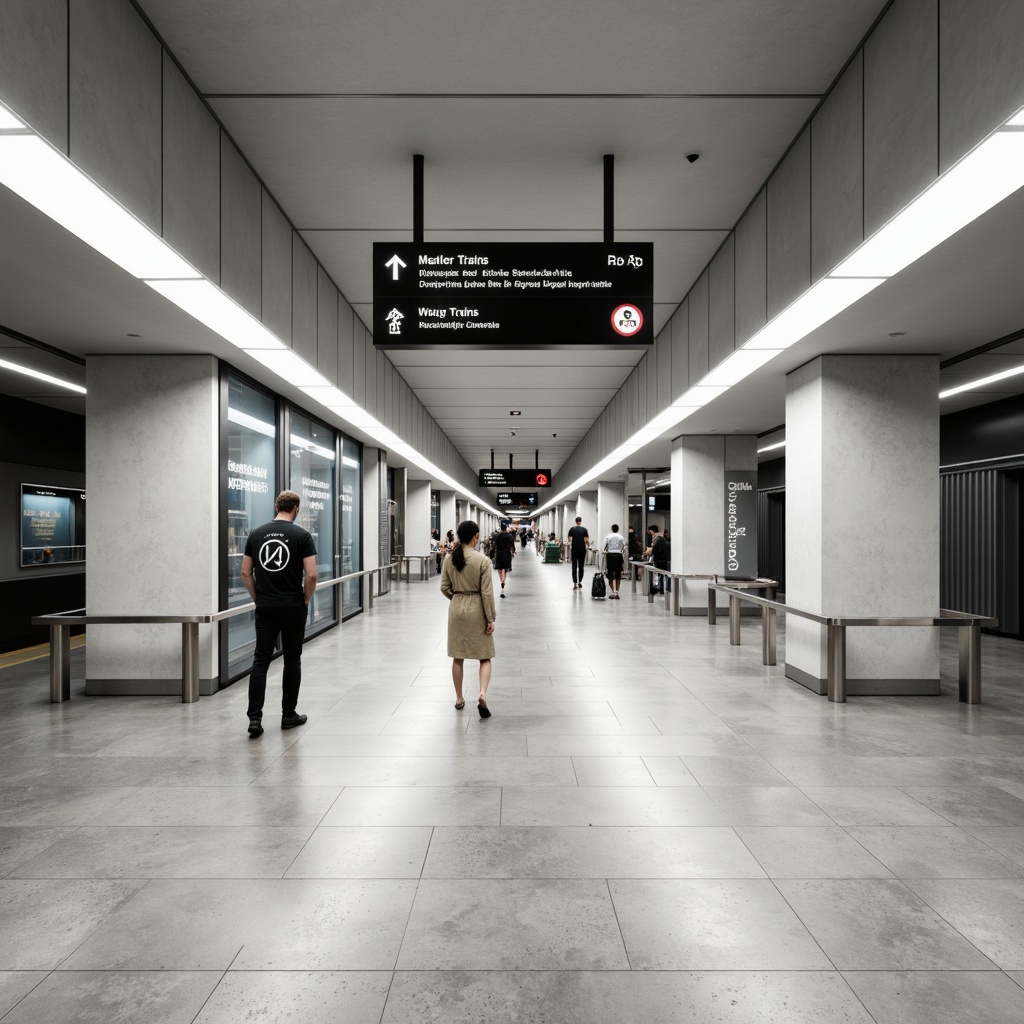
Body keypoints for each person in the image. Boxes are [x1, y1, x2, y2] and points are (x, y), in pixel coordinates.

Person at [240, 490, 317, 737]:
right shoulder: (302, 535)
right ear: (295, 508)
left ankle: (254, 719)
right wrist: (305, 598)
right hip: (293, 606)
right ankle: (288, 715)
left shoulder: (256, 533)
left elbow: (245, 572)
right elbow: (312, 575)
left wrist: (258, 598)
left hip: (266, 606)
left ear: (277, 506)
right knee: (292, 659)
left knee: (260, 659)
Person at [440, 520, 496, 718]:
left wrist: (456, 598)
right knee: (485, 656)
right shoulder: (483, 561)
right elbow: (487, 593)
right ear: (475, 537)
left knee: (458, 655)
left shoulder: (449, 558)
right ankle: (481, 693)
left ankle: (459, 698)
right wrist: (491, 618)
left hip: (457, 607)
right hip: (476, 609)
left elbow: (444, 587)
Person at [602, 523, 626, 599]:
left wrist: (605, 551)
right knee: (618, 573)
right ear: (618, 529)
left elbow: (604, 547)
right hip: (619, 556)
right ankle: (617, 590)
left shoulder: (608, 537)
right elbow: (624, 547)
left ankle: (613, 590)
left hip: (610, 556)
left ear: (612, 529)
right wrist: (621, 551)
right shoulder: (621, 537)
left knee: (611, 573)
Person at [646, 523, 671, 595]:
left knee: (660, 575)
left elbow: (655, 550)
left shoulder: (658, 539)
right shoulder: (661, 538)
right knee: (663, 575)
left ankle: (661, 589)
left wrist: (650, 550)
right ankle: (663, 590)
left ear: (652, 531)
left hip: (660, 560)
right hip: (664, 560)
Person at [493, 520, 515, 597]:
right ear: (506, 528)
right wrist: (513, 552)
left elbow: (495, 546)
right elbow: (512, 546)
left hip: (499, 554)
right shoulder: (510, 536)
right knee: (504, 570)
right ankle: (503, 582)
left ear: (501, 528)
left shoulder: (498, 536)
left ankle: (502, 582)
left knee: (500, 569)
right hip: (507, 554)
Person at [567, 516, 590, 589]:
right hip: (582, 550)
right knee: (581, 566)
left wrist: (572, 541)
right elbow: (586, 540)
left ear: (575, 521)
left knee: (574, 566)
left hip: (574, 549)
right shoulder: (584, 530)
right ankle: (580, 582)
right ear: (581, 521)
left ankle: (574, 582)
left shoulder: (572, 529)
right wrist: (589, 545)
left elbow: (569, 539)